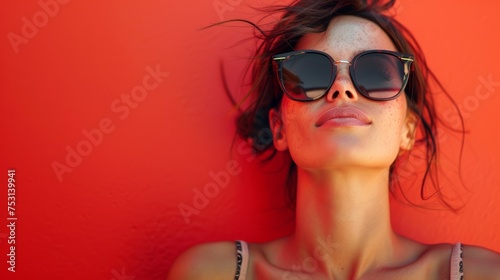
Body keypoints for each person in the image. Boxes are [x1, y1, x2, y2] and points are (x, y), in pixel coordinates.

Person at [167, 0, 500, 279]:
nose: (343, 88)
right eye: (310, 73)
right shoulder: (214, 273)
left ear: (407, 130)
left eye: (376, 72)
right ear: (279, 127)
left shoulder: (482, 273)